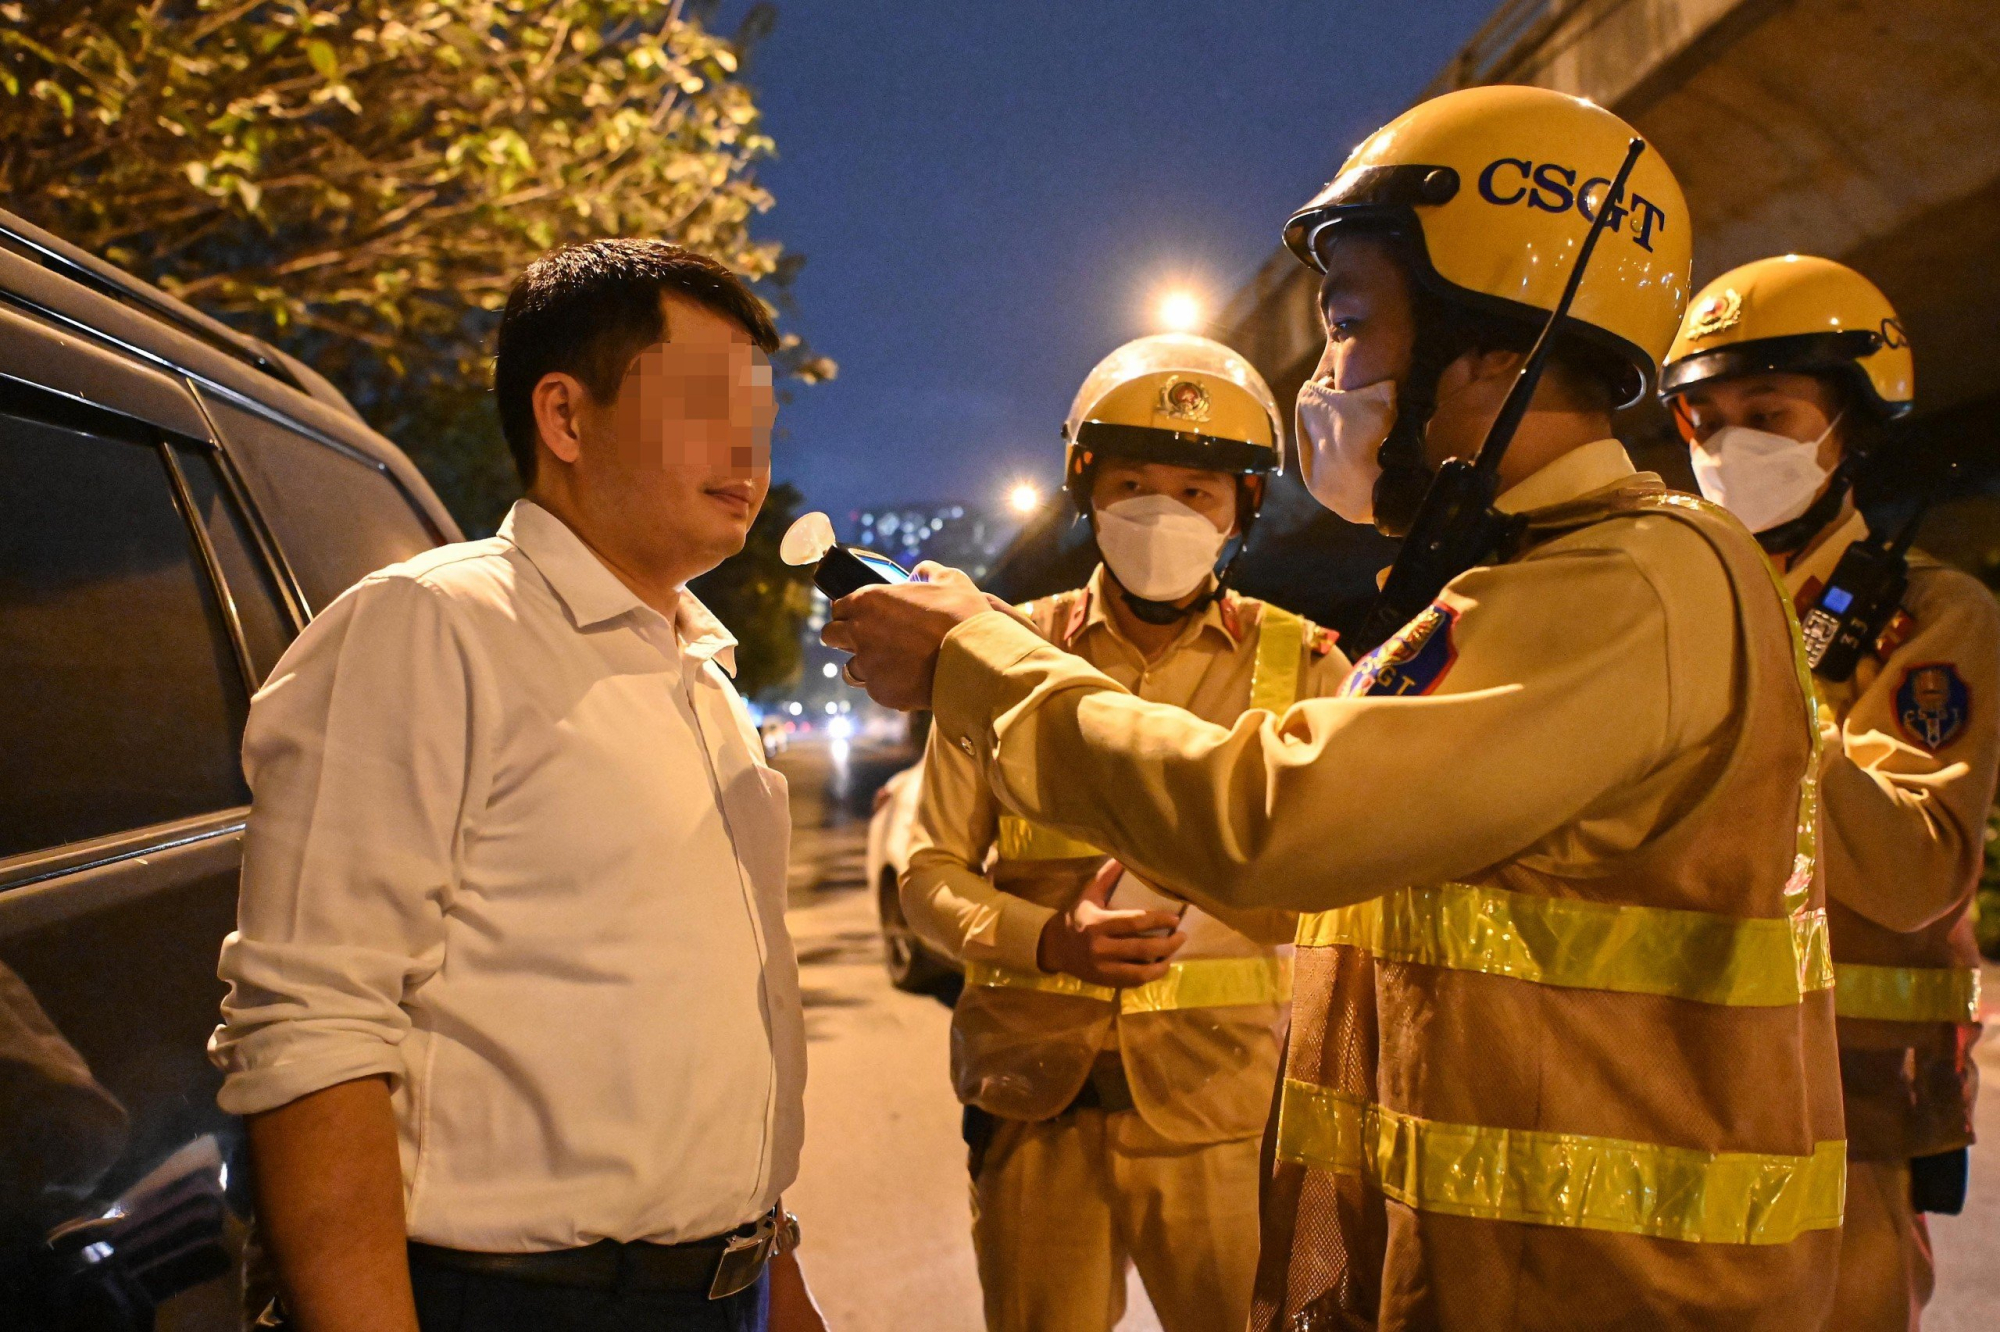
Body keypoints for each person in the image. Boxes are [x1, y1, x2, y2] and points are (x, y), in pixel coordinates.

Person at [825, 86, 1847, 1330]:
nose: (1326, 377)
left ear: (1491, 349)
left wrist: (976, 656)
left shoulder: (1625, 586)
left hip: (1599, 1290)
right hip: (1492, 1274)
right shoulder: (1532, 583)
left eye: (1350, 324)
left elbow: (1266, 824)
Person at [208, 239, 827, 1332]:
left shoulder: (703, 679)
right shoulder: (431, 630)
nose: (748, 448)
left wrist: (776, 1283)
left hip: (724, 1294)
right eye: (705, 406)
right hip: (522, 1303)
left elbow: (721, 1041)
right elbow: (312, 1030)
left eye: (761, 420)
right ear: (566, 417)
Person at [900, 333, 1347, 1332]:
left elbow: (1349, 881)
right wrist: (1045, 941)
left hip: (1219, 1115)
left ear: (1241, 510)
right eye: (1133, 482)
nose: (1160, 512)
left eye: (1195, 491)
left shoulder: (1307, 664)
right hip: (1031, 1107)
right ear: (1085, 492)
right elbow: (925, 873)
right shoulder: (995, 653)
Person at [1661, 255, 1999, 1330]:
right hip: (1660, 1082)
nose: (1726, 447)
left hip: (1849, 1112)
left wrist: (1760, 697)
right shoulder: (1663, 598)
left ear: (1848, 424)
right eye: (1703, 419)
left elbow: (1910, 871)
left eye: (1763, 412)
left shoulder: (1929, 617)